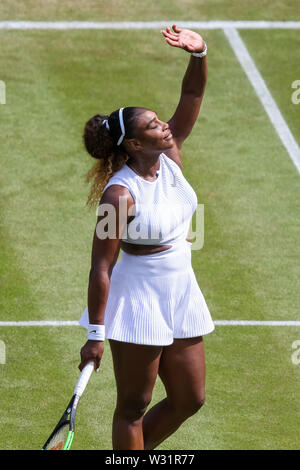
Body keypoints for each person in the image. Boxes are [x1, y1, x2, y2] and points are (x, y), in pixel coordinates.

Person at [78, 24, 214, 450]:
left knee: (190, 398)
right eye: (154, 125)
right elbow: (102, 266)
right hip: (138, 295)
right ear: (135, 143)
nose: (165, 126)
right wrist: (95, 335)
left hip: (180, 287)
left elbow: (191, 96)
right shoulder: (118, 195)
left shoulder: (168, 155)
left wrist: (198, 53)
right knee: (134, 405)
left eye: (160, 119)